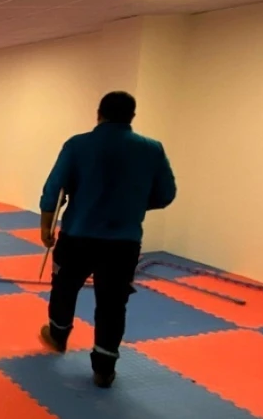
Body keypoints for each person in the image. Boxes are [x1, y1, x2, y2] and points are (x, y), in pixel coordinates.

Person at [38, 91, 176, 387]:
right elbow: (166, 194)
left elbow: (53, 189)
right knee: (113, 303)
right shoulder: (152, 149)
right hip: (124, 241)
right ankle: (104, 368)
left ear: (98, 114)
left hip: (77, 236)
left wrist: (45, 227)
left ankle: (58, 335)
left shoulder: (77, 145)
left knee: (64, 288)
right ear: (132, 117)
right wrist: (133, 205)